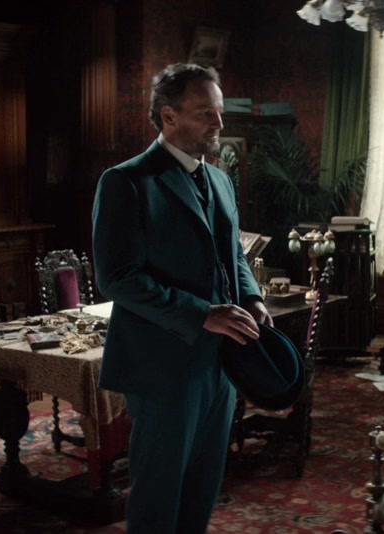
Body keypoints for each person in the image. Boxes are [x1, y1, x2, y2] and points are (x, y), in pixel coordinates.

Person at [91, 63, 271, 534]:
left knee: (201, 491)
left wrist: (252, 298)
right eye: (205, 113)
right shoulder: (126, 181)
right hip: (161, 367)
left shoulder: (221, 181)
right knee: (157, 498)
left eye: (219, 112)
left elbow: (234, 255)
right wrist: (202, 313)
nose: (219, 123)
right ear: (168, 116)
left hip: (221, 366)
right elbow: (117, 278)